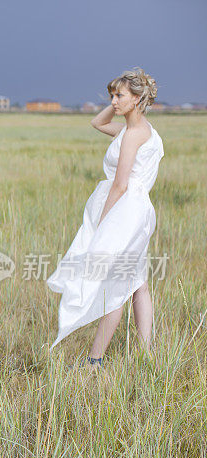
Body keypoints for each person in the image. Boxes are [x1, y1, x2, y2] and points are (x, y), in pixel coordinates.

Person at [47, 68, 163, 369]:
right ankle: (147, 354)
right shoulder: (136, 130)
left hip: (125, 212)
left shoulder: (132, 136)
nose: (112, 100)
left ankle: (95, 360)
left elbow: (120, 184)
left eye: (119, 95)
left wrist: (102, 222)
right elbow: (97, 122)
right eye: (111, 95)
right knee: (138, 282)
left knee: (117, 284)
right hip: (139, 212)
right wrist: (118, 103)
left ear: (137, 99)